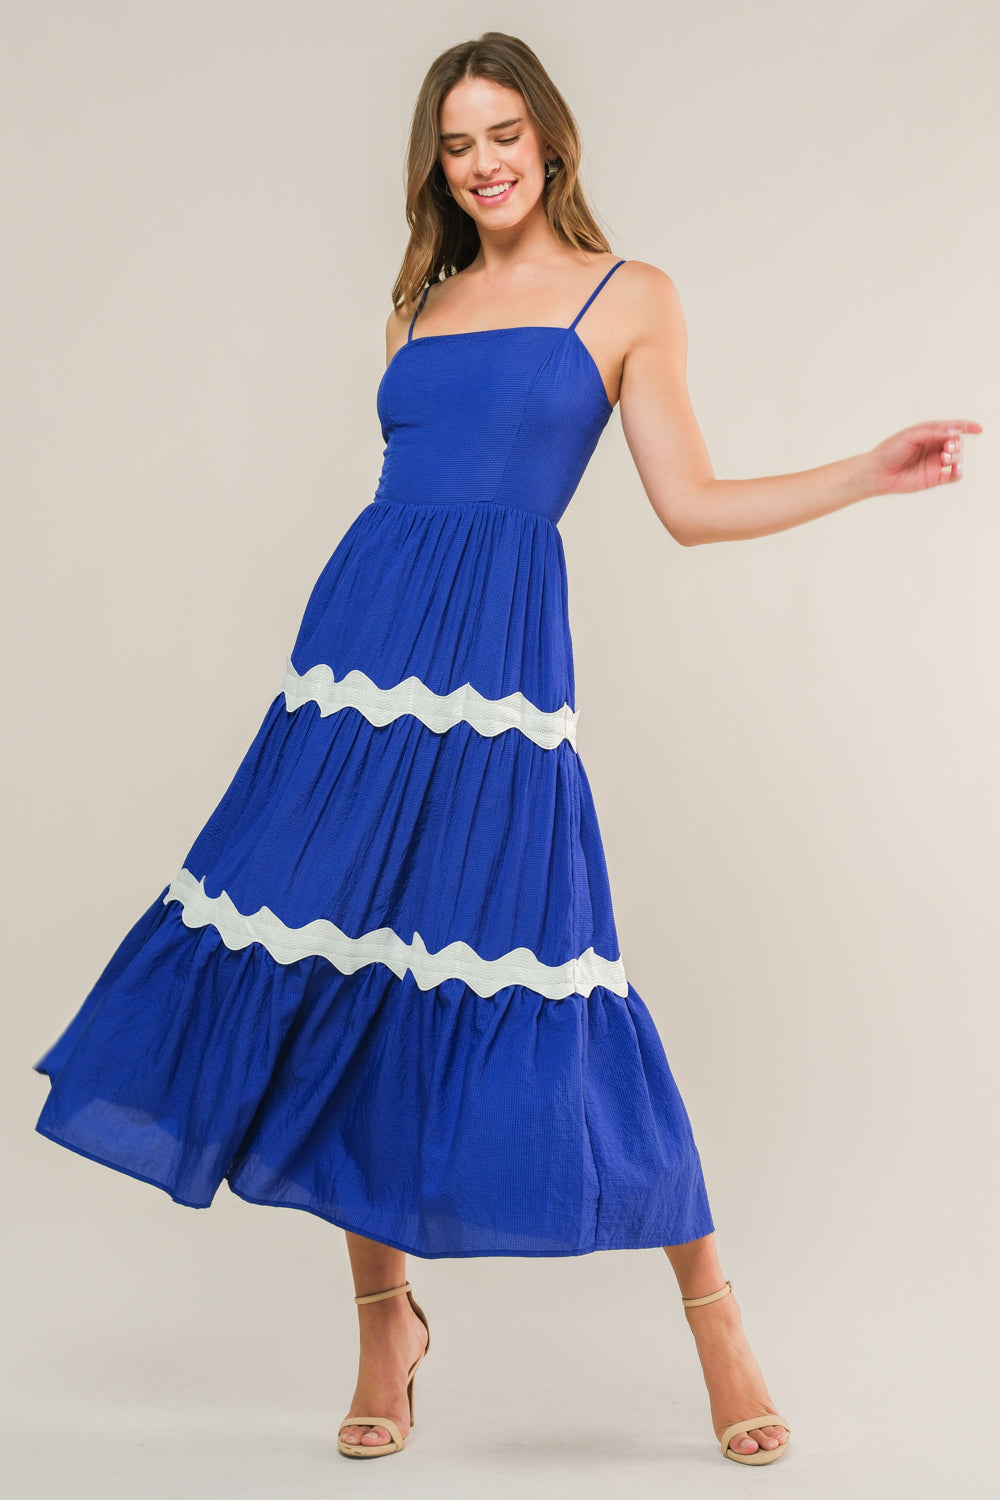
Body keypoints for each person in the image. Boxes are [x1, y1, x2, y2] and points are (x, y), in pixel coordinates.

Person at [32, 30, 979, 1470]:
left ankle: (718, 1318)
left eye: (502, 134)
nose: (481, 163)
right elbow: (406, 496)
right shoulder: (419, 302)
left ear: (552, 139)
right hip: (352, 670)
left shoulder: (627, 294)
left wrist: (865, 469)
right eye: (455, 141)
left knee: (560, 970)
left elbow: (690, 502)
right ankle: (382, 1329)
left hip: (495, 686)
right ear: (436, 159)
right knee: (339, 967)